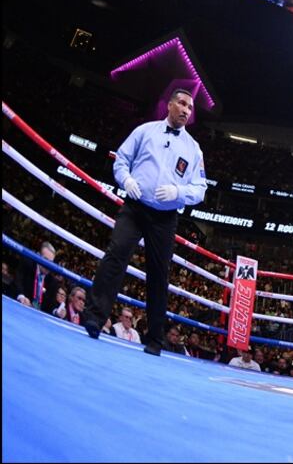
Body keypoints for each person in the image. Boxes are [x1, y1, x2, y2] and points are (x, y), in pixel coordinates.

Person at [81, 89, 207, 357]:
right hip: (135, 208)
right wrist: (126, 180)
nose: (186, 110)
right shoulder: (145, 131)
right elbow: (121, 161)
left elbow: (200, 188)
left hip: (165, 217)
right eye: (182, 104)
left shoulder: (193, 149)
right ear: (170, 105)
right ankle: (94, 317)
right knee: (116, 255)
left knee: (159, 275)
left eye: (190, 107)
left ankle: (155, 340)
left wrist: (179, 193)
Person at [16, 241, 62, 311]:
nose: (47, 265)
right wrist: (21, 297)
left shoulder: (52, 281)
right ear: (38, 256)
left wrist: (57, 311)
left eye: (50, 262)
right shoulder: (27, 265)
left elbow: (52, 305)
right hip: (20, 309)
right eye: (45, 260)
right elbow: (17, 283)